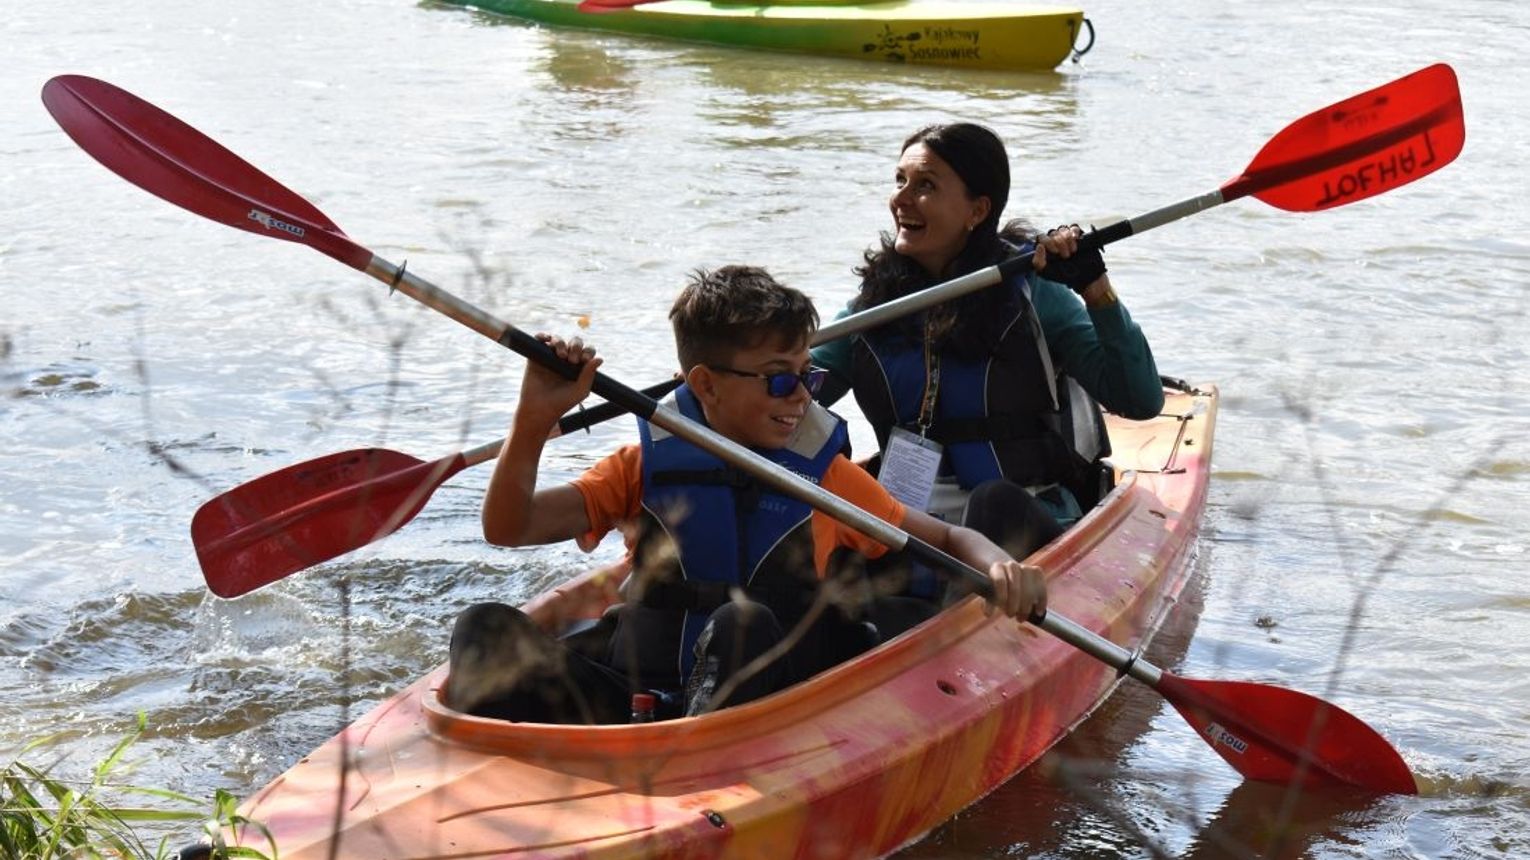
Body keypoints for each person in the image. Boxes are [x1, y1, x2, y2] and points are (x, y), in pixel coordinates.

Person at [447, 265, 1048, 725]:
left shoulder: (825, 478)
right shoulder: (642, 467)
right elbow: (509, 526)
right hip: (637, 697)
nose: (802, 398)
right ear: (704, 384)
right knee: (482, 631)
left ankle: (694, 777)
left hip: (766, 705)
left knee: (740, 623)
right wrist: (532, 420)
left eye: (807, 375)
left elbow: (945, 537)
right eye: (780, 379)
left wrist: (1000, 566)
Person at [812, 122, 1165, 570]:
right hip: (912, 527)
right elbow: (790, 391)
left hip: (1023, 517)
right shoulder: (874, 306)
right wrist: (722, 379)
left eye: (925, 185)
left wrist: (1094, 288)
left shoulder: (1034, 291)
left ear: (977, 210)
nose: (900, 199)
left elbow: (1140, 400)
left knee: (993, 502)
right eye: (900, 180)